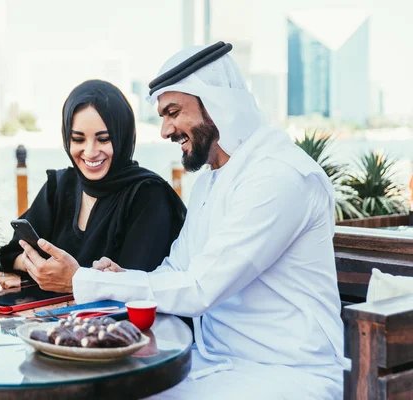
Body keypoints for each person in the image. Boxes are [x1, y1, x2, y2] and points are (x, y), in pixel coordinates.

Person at [17, 42, 347, 399]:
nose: (164, 130)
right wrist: (117, 277)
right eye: (162, 116)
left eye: (173, 112)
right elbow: (177, 270)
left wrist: (82, 280)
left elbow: (200, 289)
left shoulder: (278, 177)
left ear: (217, 105)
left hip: (285, 373)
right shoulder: (209, 180)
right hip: (210, 361)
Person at [0, 79, 186, 291]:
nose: (90, 152)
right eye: (78, 140)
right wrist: (31, 272)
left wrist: (66, 280)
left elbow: (136, 287)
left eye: (104, 139)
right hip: (56, 321)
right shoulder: (60, 186)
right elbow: (10, 253)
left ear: (122, 137)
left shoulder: (148, 195)